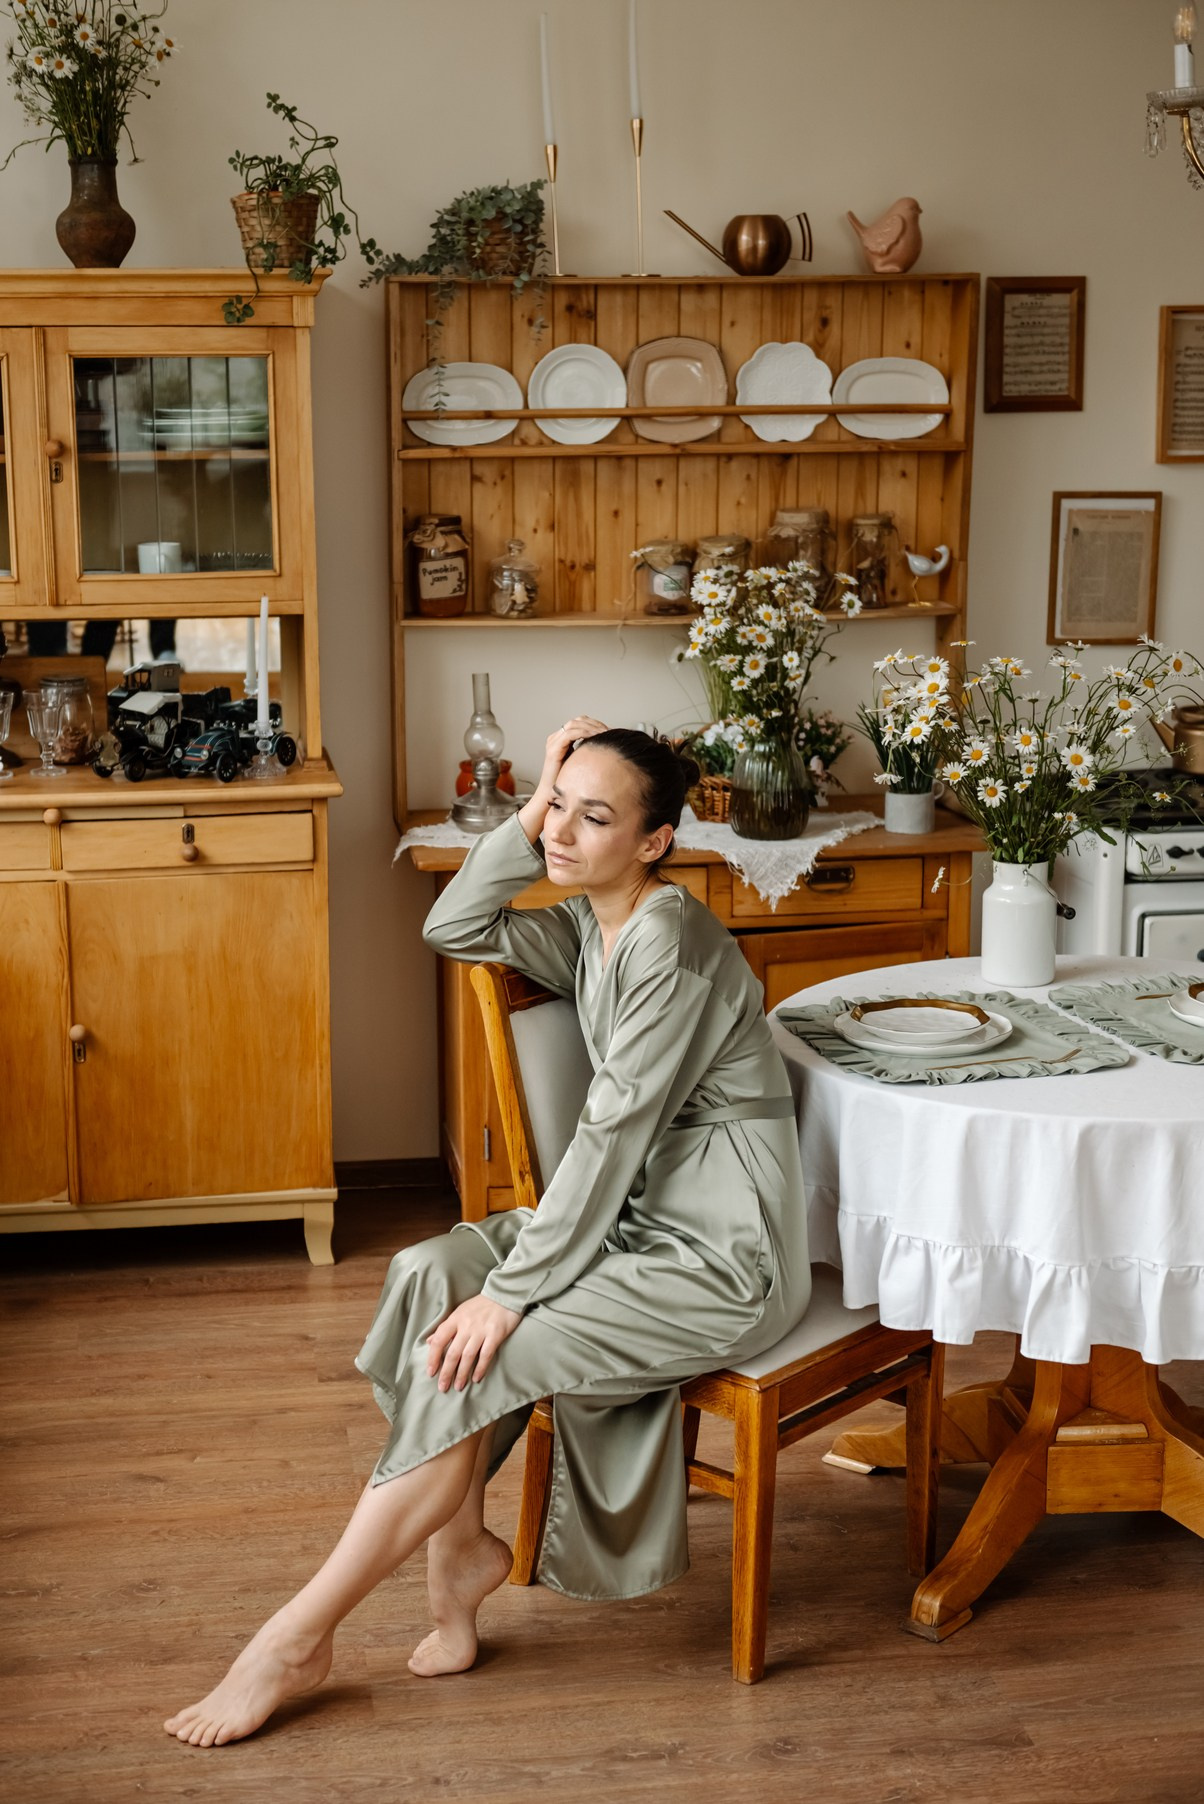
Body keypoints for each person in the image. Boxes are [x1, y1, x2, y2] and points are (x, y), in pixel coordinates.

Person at [164, 719, 813, 1748]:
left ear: (654, 841)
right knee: (432, 1271)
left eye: (595, 816)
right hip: (631, 1220)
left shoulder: (670, 938)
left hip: (716, 1254)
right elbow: (452, 922)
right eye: (560, 805)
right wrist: (536, 800)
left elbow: (608, 1141)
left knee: (485, 1342)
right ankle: (459, 1556)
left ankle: (297, 1633)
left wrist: (513, 1291)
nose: (563, 831)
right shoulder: (585, 923)